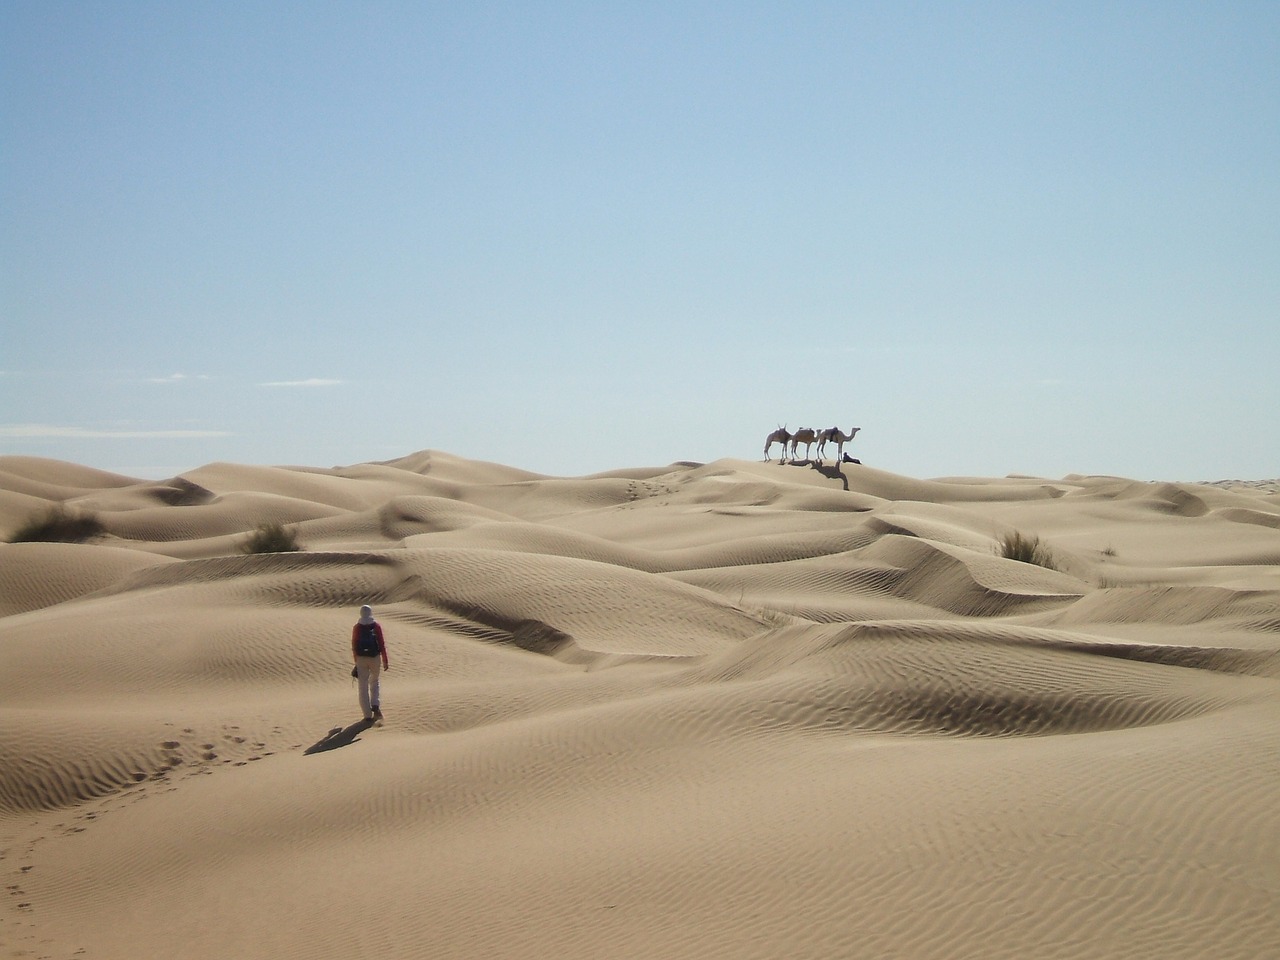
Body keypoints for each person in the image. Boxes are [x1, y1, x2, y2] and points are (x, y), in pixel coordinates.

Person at [351, 604, 389, 721]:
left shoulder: (357, 627)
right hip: (375, 657)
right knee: (374, 681)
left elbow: (354, 645)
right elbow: (381, 643)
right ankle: (375, 705)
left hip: (361, 658)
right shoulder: (376, 626)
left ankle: (367, 715)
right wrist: (385, 660)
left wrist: (356, 661)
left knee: (362, 687)